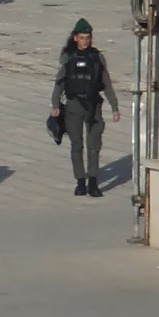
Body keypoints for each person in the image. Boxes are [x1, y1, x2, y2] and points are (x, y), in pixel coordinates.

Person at [51, 18, 121, 198]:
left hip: (93, 106)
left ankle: (93, 182)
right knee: (76, 144)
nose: (85, 41)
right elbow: (59, 83)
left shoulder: (97, 57)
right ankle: (80, 181)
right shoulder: (68, 57)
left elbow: (106, 83)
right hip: (74, 105)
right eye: (82, 38)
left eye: (88, 38)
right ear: (75, 38)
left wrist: (114, 106)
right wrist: (55, 105)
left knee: (94, 145)